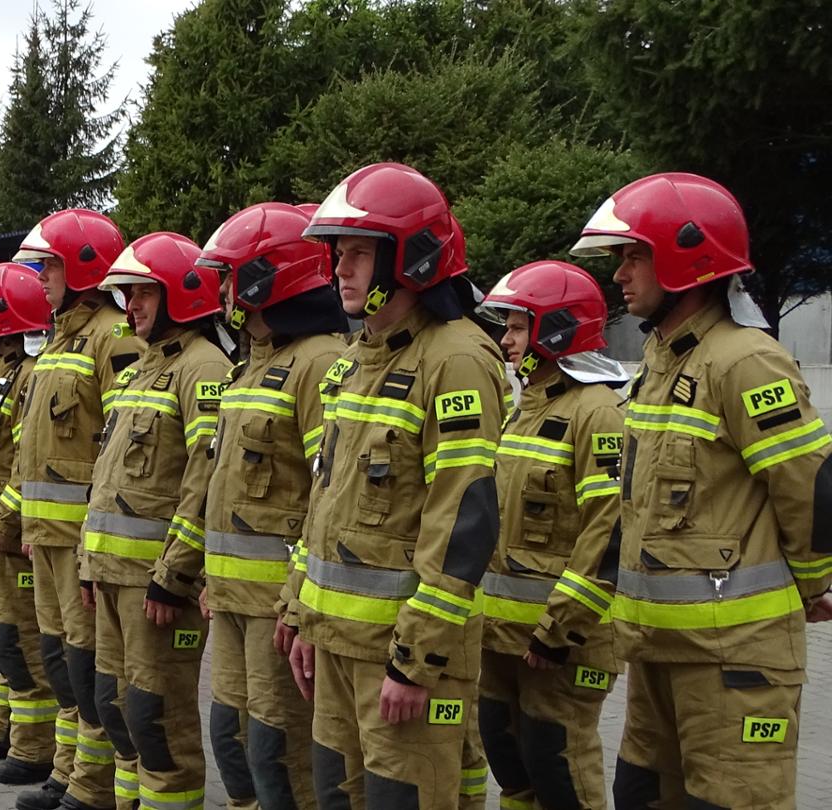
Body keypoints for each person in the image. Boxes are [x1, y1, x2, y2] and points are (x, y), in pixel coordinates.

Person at [570, 173, 832, 809]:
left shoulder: (744, 361)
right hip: (657, 651)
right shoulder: (663, 359)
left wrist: (814, 582)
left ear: (686, 257)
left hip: (733, 662)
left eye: (633, 256)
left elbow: (809, 488)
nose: (619, 276)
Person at [281, 162, 507, 809]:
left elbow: (464, 519)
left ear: (412, 259)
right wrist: (301, 613)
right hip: (335, 647)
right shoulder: (360, 357)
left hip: (403, 664)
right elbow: (326, 500)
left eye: (359, 254)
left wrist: (416, 661)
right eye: (338, 253)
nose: (340, 270)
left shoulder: (455, 357)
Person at [196, 202, 348, 810]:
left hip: (276, 607)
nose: (229, 294)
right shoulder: (249, 365)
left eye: (237, 278)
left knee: (275, 752)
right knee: (230, 740)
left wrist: (299, 599)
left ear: (270, 280)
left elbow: (326, 491)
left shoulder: (319, 363)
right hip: (230, 597)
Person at [0, 208, 139, 810]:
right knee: (59, 656)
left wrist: (87, 539)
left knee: (86, 662)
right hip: (46, 534)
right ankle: (66, 768)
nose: (40, 277)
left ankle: (93, 785)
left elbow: (121, 443)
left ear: (82, 267)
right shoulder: (59, 338)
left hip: (82, 538)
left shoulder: (113, 336)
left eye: (49, 264)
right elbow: (35, 445)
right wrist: (25, 519)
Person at [78, 232, 232, 810]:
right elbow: (108, 477)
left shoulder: (205, 368)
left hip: (154, 587)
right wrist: (89, 564)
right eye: (129, 295)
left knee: (156, 719)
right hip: (112, 576)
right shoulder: (139, 370)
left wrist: (175, 575)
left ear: (182, 296)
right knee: (116, 707)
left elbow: (204, 479)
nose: (132, 306)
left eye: (145, 293)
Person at [467, 260, 627, 809]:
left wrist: (560, 630)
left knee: (557, 765)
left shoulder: (597, 412)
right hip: (503, 638)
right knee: (509, 759)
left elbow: (608, 533)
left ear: (556, 329)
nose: (506, 340)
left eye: (517, 327)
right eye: (506, 327)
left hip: (559, 644)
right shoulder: (526, 407)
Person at [0, 263, 64, 786]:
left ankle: (32, 747)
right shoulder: (0, 369)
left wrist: (7, 519)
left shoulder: (25, 374)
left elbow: (24, 461)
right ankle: (5, 728)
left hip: (7, 533)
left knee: (19, 640)